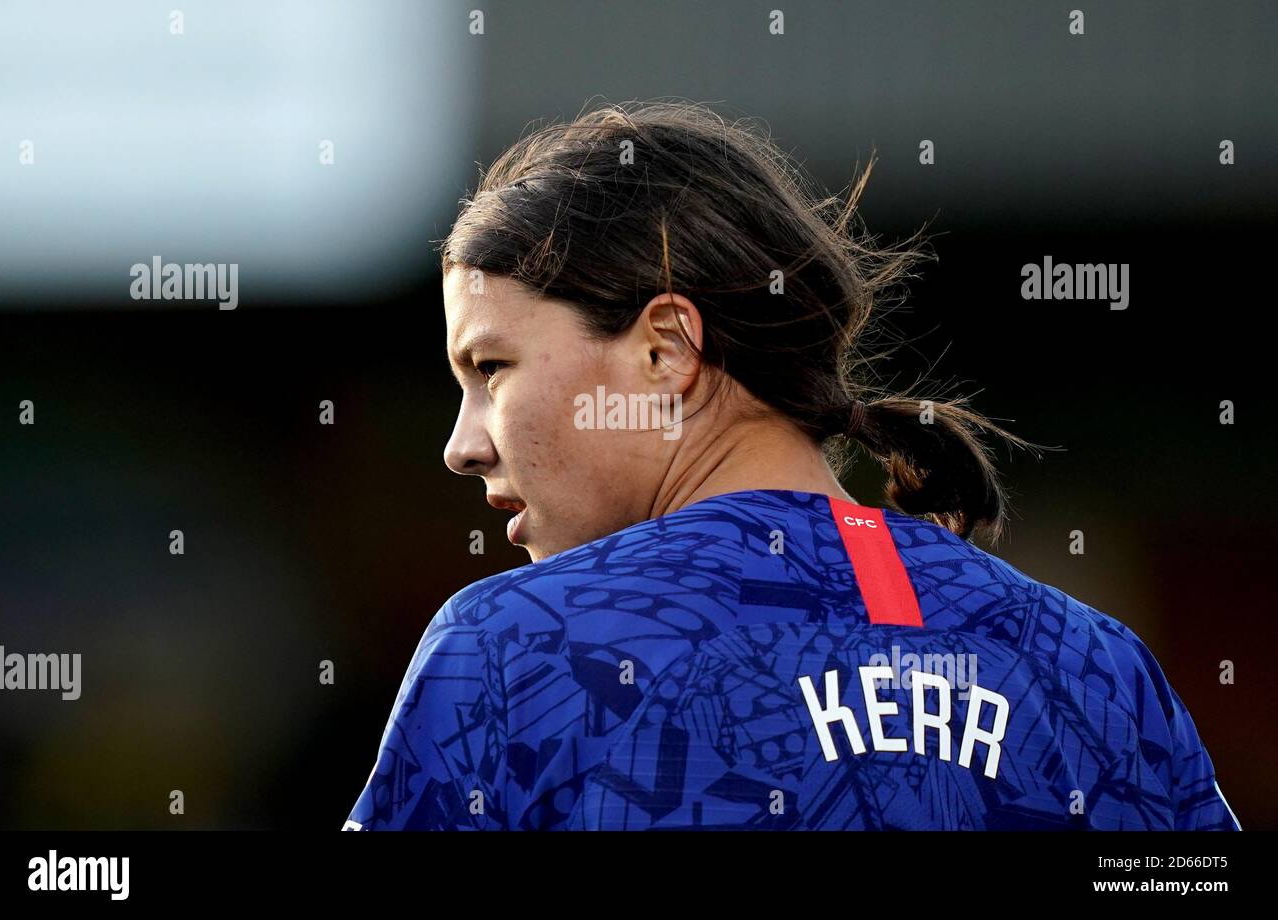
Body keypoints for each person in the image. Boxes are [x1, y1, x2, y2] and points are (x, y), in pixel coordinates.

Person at [343, 101, 1239, 830]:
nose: (463, 445)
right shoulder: (1095, 668)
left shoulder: (512, 653)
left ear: (664, 350)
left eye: (491, 369)